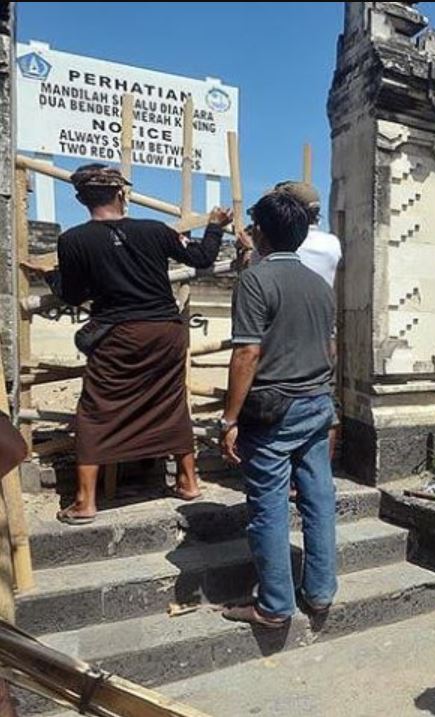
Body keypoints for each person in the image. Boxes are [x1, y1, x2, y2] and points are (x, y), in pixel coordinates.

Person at [22, 163, 232, 524]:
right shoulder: (155, 230)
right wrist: (215, 226)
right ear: (122, 194)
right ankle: (188, 480)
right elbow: (202, 258)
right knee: (169, 400)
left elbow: (73, 294)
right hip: (165, 331)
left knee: (97, 408)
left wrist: (52, 276)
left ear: (81, 199)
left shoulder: (73, 240)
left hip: (119, 334)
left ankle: (86, 501)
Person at [221, 191, 337, 628]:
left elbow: (246, 354)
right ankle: (321, 592)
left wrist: (229, 418)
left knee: (268, 505)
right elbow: (330, 350)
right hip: (316, 403)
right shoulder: (319, 285)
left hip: (273, 409)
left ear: (261, 233)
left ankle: (273, 605)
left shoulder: (255, 280)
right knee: (319, 500)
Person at [236, 180, 342, 468]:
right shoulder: (331, 244)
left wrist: (247, 250)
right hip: (318, 333)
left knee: (274, 429)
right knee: (323, 411)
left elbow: (257, 273)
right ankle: (316, 475)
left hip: (279, 337)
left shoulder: (275, 246)